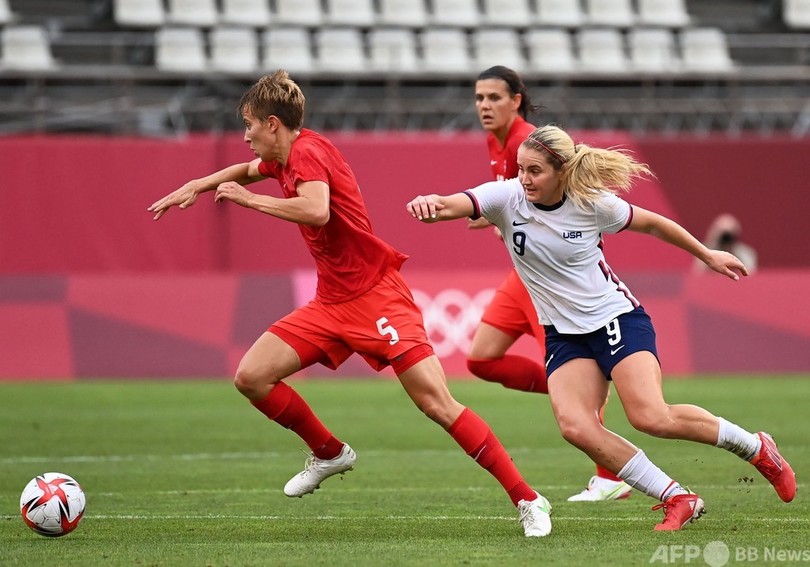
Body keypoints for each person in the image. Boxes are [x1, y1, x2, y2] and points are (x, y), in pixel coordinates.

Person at [147, 70, 552, 538]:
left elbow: (316, 208)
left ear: (273, 124)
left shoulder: (308, 153)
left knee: (438, 405)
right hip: (331, 302)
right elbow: (244, 170)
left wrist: (247, 202)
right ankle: (328, 452)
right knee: (252, 377)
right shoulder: (284, 155)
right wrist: (198, 184)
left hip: (377, 296)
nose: (245, 136)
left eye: (250, 125)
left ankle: (527, 498)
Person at [406, 124, 796, 531]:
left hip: (616, 319)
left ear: (561, 171)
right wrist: (431, 204)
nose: (523, 179)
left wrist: (707, 254)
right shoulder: (508, 198)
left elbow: (653, 224)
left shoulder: (592, 204)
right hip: (564, 333)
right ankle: (677, 497)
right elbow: (457, 203)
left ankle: (756, 447)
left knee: (650, 416)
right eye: (520, 169)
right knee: (575, 426)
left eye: (534, 171)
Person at [470, 66, 631, 502]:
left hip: (549, 280)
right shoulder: (496, 141)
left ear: (516, 100)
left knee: (571, 370)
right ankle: (573, 386)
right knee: (481, 359)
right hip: (521, 274)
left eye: (493, 98)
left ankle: (611, 477)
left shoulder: (528, 141)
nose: (484, 106)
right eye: (479, 97)